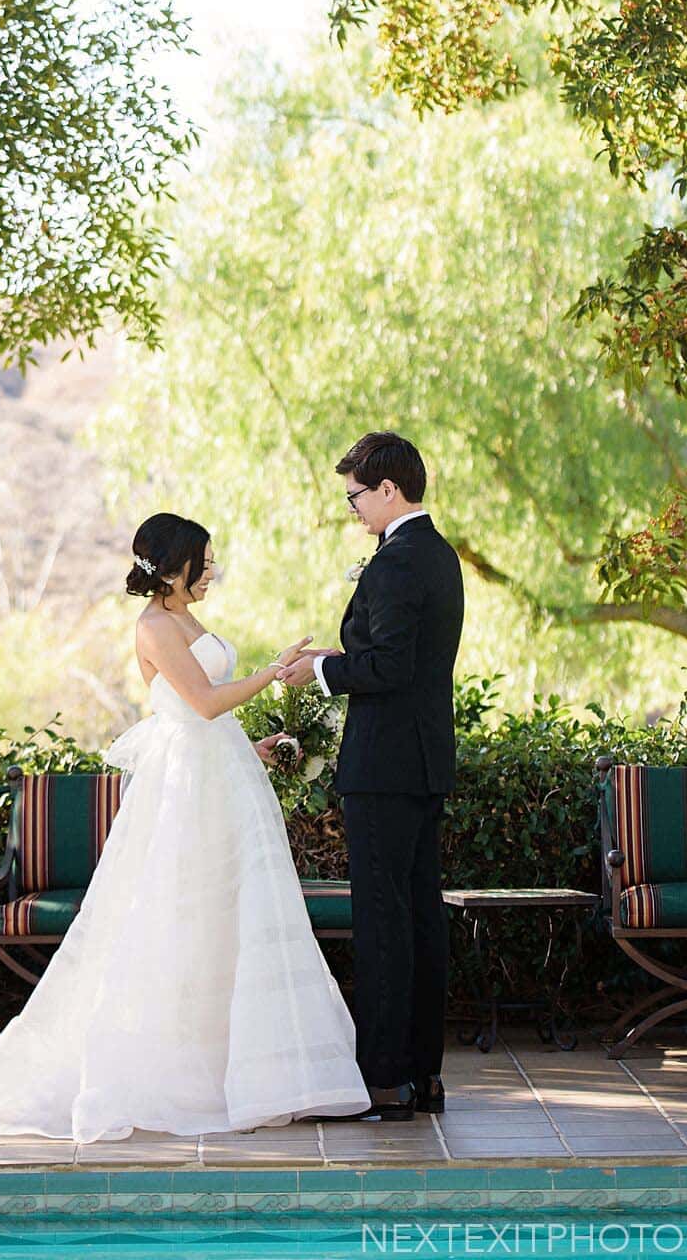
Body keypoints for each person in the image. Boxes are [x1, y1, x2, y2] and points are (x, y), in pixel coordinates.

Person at [0, 512, 370, 1141]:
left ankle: (241, 1072)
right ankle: (171, 1077)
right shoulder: (155, 626)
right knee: (177, 917)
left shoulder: (188, 620)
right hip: (185, 791)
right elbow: (202, 702)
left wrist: (254, 747)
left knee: (229, 920)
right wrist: (275, 673)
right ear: (172, 567)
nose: (211, 571)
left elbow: (209, 719)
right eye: (203, 562)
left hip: (222, 776)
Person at [277, 432, 464, 1122]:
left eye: (356, 495)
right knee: (418, 919)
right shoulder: (438, 555)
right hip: (423, 761)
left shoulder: (392, 564)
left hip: (383, 764)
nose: (352, 507)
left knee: (382, 924)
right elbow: (401, 656)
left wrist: (319, 671)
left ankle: (384, 1078)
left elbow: (387, 669)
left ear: (389, 489)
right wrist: (343, 653)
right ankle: (424, 1074)